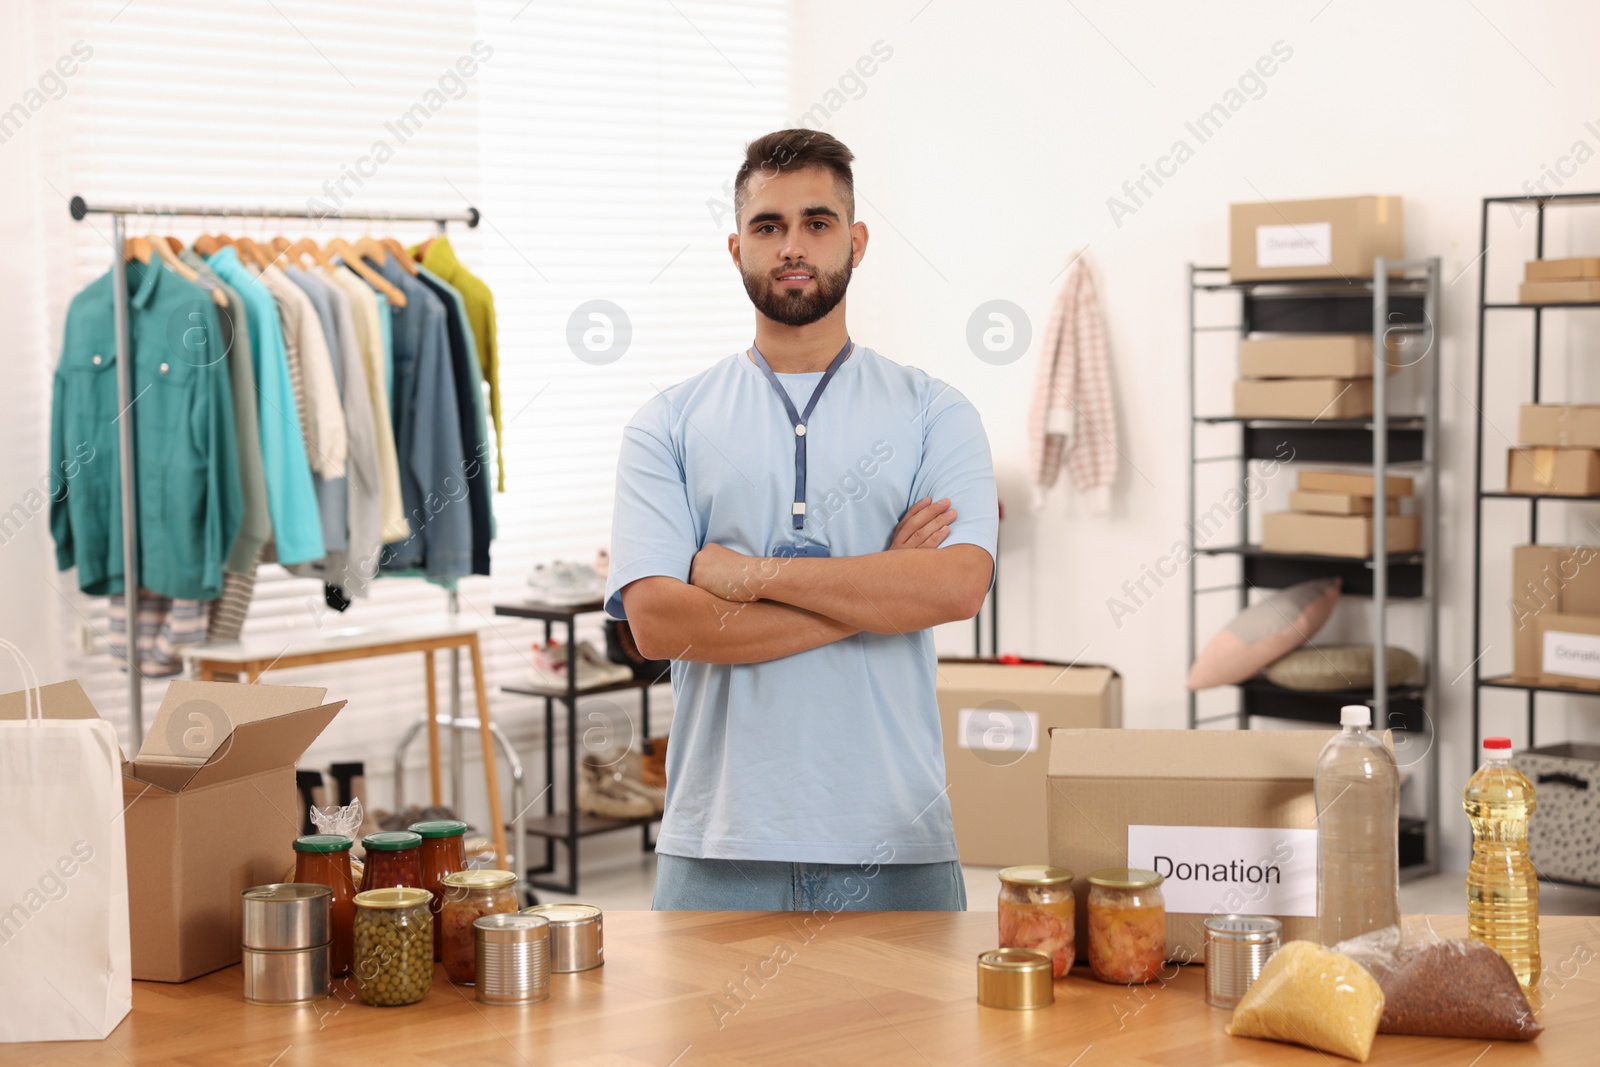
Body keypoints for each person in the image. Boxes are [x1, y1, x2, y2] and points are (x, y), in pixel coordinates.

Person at [603, 128, 998, 911]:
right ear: (736, 247)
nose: (793, 246)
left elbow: (954, 587)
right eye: (768, 225)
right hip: (717, 846)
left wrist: (740, 576)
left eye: (817, 223)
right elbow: (656, 623)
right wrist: (881, 588)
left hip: (896, 842)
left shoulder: (935, 412)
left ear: (855, 241)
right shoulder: (667, 423)